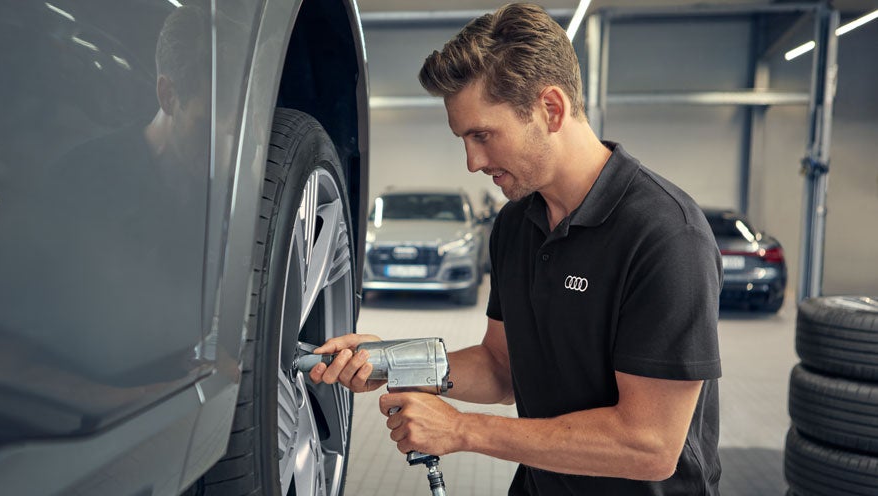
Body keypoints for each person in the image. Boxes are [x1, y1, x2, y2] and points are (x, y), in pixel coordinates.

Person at [309, 3, 722, 495]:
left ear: (550, 109)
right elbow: (501, 368)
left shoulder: (665, 235)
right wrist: (387, 361)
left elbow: (648, 446)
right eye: (464, 139)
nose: (472, 161)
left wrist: (463, 430)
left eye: (482, 135)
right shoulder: (515, 223)